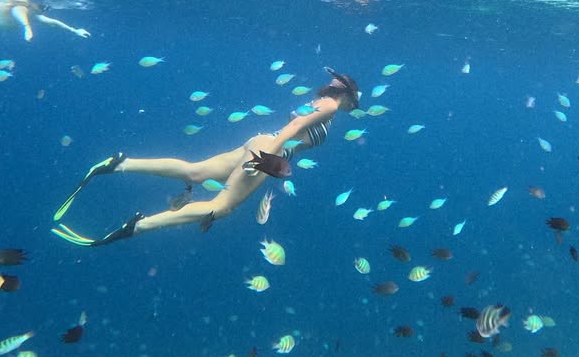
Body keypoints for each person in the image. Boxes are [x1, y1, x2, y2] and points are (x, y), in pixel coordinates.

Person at [51, 68, 361, 246]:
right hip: (272, 151)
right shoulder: (330, 106)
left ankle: (121, 163)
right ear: (345, 95)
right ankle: (139, 226)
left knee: (195, 173)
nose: (352, 108)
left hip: (261, 140)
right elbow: (293, 128)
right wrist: (267, 158)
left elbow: (292, 124)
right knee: (221, 207)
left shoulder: (320, 101)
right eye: (354, 102)